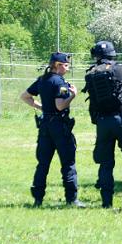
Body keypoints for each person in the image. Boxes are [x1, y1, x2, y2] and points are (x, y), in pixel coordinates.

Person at [83, 40, 122, 212]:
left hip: (103, 122)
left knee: (105, 163)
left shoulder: (90, 73)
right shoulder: (121, 69)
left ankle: (106, 202)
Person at [20, 52, 84, 208]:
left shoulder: (42, 80)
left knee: (43, 164)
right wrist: (73, 95)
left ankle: (38, 199)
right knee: (68, 163)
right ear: (57, 65)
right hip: (60, 127)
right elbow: (60, 105)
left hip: (45, 127)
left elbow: (25, 96)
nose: (68, 68)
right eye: (66, 65)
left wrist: (41, 108)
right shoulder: (59, 82)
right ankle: (72, 199)